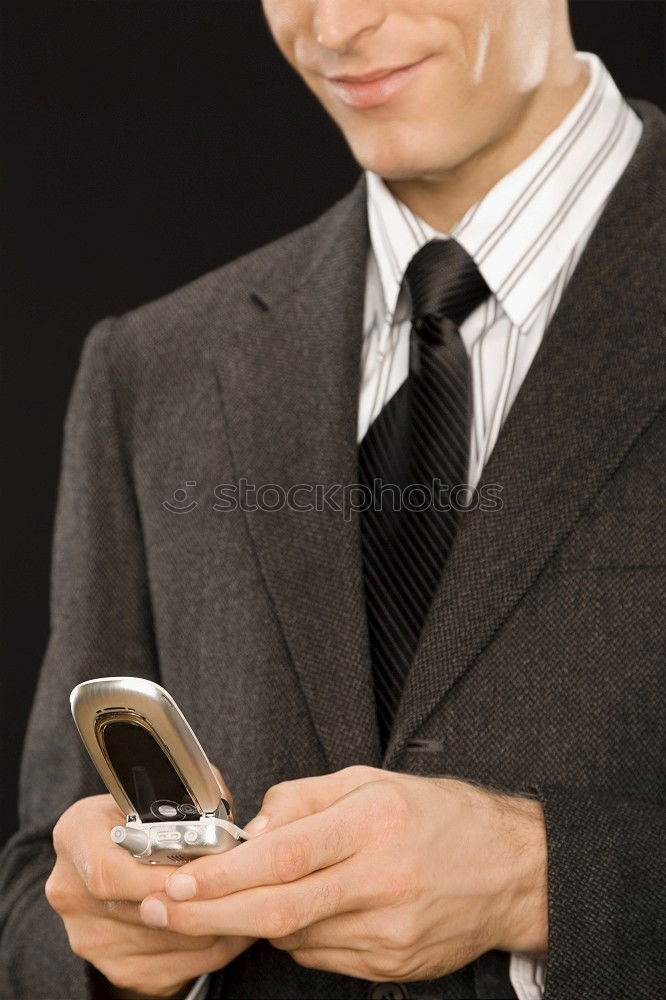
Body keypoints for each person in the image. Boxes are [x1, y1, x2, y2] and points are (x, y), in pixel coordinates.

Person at [1, 1, 664, 999]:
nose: (339, 24)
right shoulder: (152, 370)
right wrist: (108, 948)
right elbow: (29, 906)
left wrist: (544, 878)